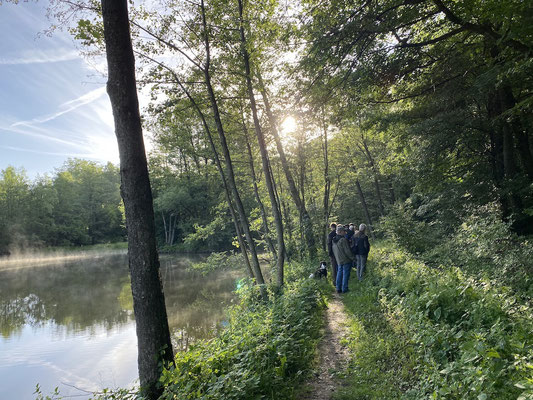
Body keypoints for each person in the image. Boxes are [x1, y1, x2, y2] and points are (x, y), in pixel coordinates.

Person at [332, 225, 356, 293]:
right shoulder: (343, 240)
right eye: (344, 231)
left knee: (339, 273)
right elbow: (347, 251)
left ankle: (338, 288)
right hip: (345, 259)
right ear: (340, 232)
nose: (345, 233)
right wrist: (353, 258)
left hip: (338, 260)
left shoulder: (333, 240)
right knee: (346, 274)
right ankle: (344, 289)